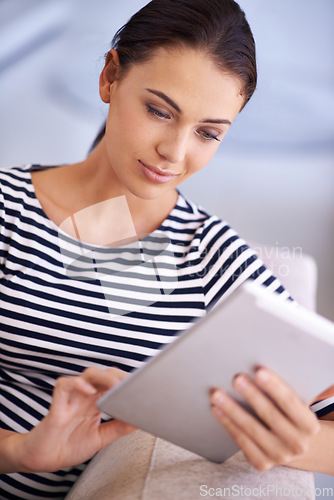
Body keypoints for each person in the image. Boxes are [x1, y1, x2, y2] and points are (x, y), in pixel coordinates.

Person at [0, 0, 333, 497]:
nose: (174, 153)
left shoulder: (212, 260)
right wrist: (19, 451)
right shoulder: (9, 209)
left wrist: (294, 443)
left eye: (207, 132)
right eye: (159, 111)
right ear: (110, 77)